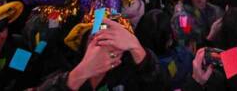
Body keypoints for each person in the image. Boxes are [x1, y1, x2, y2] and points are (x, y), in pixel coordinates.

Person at [36, 18, 168, 91]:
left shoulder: (128, 74)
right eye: (97, 39)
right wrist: (79, 74)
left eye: (112, 40)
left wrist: (137, 48)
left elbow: (158, 85)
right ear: (84, 45)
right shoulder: (62, 70)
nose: (104, 47)